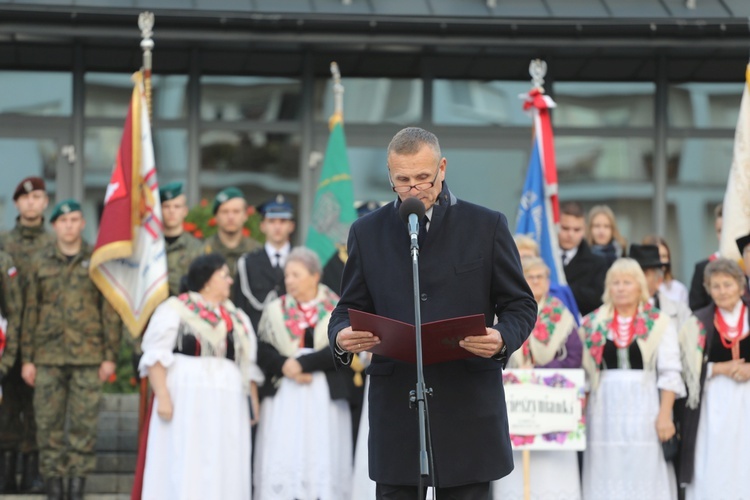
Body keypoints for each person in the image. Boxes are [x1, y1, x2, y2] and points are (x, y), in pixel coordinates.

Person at [328, 127, 537, 499]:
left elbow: (519, 304)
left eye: (423, 178)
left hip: (468, 405)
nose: (414, 189)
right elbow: (347, 308)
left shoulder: (486, 226)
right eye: (402, 180)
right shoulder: (366, 232)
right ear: (390, 176)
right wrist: (342, 337)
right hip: (397, 408)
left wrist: (503, 337)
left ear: (442, 168)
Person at [135, 253, 262, 500]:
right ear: (206, 279)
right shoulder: (176, 309)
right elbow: (155, 355)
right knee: (186, 455)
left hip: (229, 402)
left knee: (224, 457)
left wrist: (253, 403)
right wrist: (162, 397)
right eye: (224, 276)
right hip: (186, 397)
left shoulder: (237, 318)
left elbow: (248, 364)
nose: (230, 281)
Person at [20, 199, 122, 500]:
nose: (69, 226)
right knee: (48, 424)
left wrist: (109, 356)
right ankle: (53, 486)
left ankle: (76, 487)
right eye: (63, 221)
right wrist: (27, 358)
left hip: (89, 357)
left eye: (75, 219)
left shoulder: (97, 261)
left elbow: (109, 310)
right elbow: (29, 311)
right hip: (47, 356)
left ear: (83, 224)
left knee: (84, 425)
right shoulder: (40, 261)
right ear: (54, 226)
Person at [254, 247, 354, 500]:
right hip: (284, 393)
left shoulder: (337, 308)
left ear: (314, 276)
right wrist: (283, 364)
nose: (289, 280)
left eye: (296, 275)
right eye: (287, 275)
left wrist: (303, 364)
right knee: (285, 447)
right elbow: (262, 347)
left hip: (324, 393)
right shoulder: (275, 309)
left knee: (320, 448)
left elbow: (341, 348)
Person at [580, 258, 685, 500]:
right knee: (607, 466)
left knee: (644, 465)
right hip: (604, 407)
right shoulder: (591, 323)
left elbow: (670, 372)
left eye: (627, 282)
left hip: (645, 405)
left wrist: (665, 415)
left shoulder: (659, 322)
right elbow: (585, 376)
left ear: (640, 286)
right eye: (615, 282)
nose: (621, 287)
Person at [493, 256, 582, 500]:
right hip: (516, 396)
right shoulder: (507, 312)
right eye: (530, 277)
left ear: (548, 280)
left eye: (540, 277)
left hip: (550, 401)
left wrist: (541, 372)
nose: (535, 281)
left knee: (552, 471)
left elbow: (574, 355)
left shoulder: (559, 314)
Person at [678, 257, 750, 500]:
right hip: (715, 405)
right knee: (717, 458)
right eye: (715, 286)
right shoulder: (698, 322)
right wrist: (719, 368)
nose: (722, 291)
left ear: (741, 286)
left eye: (727, 284)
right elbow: (686, 369)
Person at [0, 176, 54, 494]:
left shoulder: (54, 243)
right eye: (25, 198)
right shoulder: (3, 244)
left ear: (45, 202)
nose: (31, 203)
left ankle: (33, 474)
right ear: (17, 203)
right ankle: (6, 473)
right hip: (6, 343)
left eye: (37, 198)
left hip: (42, 343)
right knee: (7, 410)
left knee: (37, 410)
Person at [234, 194, 295, 331]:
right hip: (258, 339)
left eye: (283, 221)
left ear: (291, 226)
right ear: (262, 226)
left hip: (294, 337)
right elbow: (240, 308)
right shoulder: (248, 263)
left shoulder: (302, 262)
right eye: (272, 221)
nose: (277, 227)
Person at [559, 201, 608, 316]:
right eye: (565, 228)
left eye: (576, 230)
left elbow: (598, 300)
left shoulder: (598, 263)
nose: (570, 234)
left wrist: (564, 290)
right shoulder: (542, 257)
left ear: (584, 229)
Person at [322, 200, 381, 296]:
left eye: (376, 225)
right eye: (365, 224)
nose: (370, 229)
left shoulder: (391, 255)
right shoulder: (335, 259)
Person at [203, 187, 260, 276]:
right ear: (216, 216)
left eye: (236, 211)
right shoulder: (203, 251)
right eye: (225, 212)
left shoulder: (257, 252)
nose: (230, 217)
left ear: (245, 215)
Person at [160, 181, 204, 297]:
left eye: (177, 206)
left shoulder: (197, 248)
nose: (171, 211)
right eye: (166, 206)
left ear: (185, 211)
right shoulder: (150, 245)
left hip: (184, 310)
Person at [688, 203, 722, 311]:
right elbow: (696, 309)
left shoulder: (745, 266)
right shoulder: (703, 268)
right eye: (719, 231)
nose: (724, 235)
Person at [642, 235, 689, 307]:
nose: (661, 261)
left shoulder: (679, 289)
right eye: (657, 256)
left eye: (664, 256)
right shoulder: (636, 288)